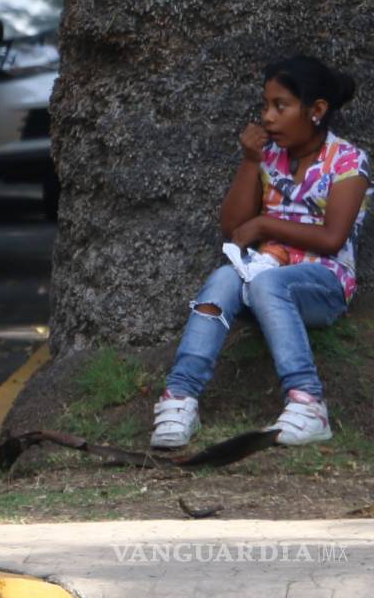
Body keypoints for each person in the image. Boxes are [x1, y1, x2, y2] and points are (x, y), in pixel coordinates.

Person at [150, 56, 371, 450]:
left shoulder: (348, 161)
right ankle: (180, 397)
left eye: (280, 106)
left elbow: (332, 238)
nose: (267, 117)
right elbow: (232, 228)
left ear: (316, 110)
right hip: (263, 272)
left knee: (268, 282)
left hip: (323, 283)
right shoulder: (268, 156)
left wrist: (265, 225)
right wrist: (250, 160)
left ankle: (308, 402)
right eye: (265, 106)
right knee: (222, 277)